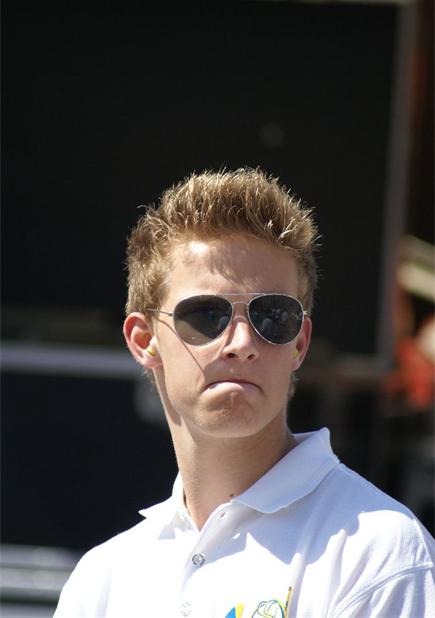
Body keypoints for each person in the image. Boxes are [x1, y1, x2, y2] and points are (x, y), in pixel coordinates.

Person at [55, 168, 435, 617]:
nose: (241, 343)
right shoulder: (101, 581)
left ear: (300, 344)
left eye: (273, 316)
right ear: (144, 340)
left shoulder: (380, 553)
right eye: (206, 315)